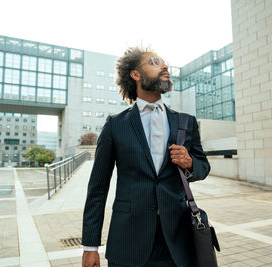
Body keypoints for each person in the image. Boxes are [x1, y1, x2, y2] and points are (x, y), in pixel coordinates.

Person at [82, 47, 210, 267]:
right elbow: (98, 187)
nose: (165, 66)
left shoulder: (185, 122)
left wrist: (189, 163)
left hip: (177, 244)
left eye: (164, 62)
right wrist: (90, 246)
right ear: (135, 74)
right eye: (154, 62)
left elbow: (203, 167)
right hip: (128, 242)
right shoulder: (115, 125)